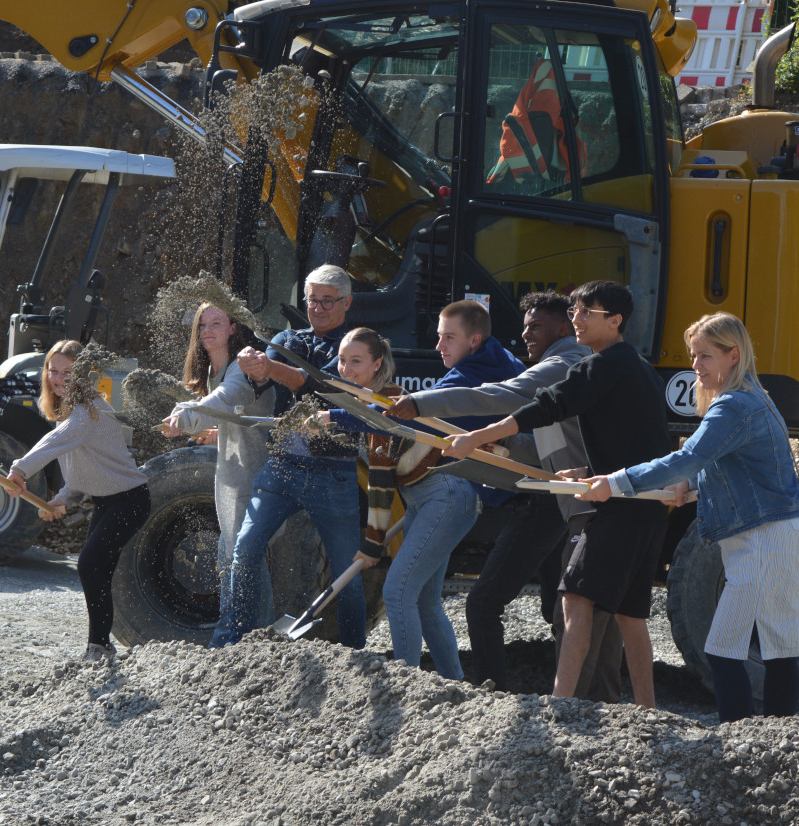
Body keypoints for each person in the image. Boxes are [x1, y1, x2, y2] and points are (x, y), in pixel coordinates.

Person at [577, 311, 799, 723]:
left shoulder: (734, 406)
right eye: (694, 356)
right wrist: (690, 490)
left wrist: (616, 481)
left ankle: (736, 737)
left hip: (764, 537)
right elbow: (740, 471)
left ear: (733, 355)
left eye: (704, 356)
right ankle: (777, 738)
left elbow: (689, 457)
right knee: (779, 649)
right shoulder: (753, 398)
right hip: (778, 533)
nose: (695, 366)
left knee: (724, 649)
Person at [441, 281, 670, 707]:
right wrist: (588, 470)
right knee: (631, 616)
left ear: (615, 321)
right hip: (646, 506)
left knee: (575, 599)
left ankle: (560, 704)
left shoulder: (600, 366)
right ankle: (647, 710)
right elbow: (642, 443)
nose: (576, 320)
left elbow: (542, 406)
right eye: (576, 312)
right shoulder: (639, 369)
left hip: (616, 509)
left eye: (587, 314)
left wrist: (475, 438)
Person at [387, 290, 624, 699]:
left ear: (565, 326)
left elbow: (496, 397)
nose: (525, 333)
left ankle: (494, 697)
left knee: (487, 604)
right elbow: (539, 436)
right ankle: (590, 698)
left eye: (536, 325)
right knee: (570, 605)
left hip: (563, 498)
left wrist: (419, 403)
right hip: (565, 495)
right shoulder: (563, 362)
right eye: (524, 324)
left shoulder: (562, 364)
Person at [333, 301, 525, 679]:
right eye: (342, 361)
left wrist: (373, 544)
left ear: (376, 365)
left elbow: (380, 482)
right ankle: (455, 686)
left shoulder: (388, 400)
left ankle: (406, 684)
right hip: (429, 500)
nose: (345, 369)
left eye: (356, 361)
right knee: (424, 601)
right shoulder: (370, 402)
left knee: (397, 591)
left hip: (446, 496)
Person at [209, 264, 367, 649]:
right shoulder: (288, 339)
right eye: (312, 299)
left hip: (334, 473)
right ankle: (240, 641)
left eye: (327, 301)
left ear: (346, 303)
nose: (318, 308)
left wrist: (269, 366)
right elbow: (258, 377)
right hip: (283, 467)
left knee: (347, 577)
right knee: (244, 550)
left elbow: (319, 386)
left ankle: (357, 658)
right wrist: (249, 363)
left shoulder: (354, 348)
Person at [6, 340, 151, 663]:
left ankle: (98, 647)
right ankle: (101, 647)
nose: (59, 378)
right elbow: (81, 468)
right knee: (96, 569)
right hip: (107, 502)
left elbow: (55, 442)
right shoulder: (70, 412)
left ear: (85, 375)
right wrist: (61, 499)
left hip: (130, 501)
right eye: (53, 370)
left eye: (68, 372)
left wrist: (20, 469)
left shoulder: (88, 411)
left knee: (89, 564)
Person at [159, 302, 276, 624]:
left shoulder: (241, 368)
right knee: (232, 555)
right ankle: (241, 628)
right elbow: (231, 414)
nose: (207, 330)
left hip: (256, 472)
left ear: (233, 328)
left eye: (216, 323)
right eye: (202, 325)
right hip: (233, 473)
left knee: (241, 556)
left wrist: (187, 417)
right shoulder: (211, 372)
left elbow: (227, 397)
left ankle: (244, 630)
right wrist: (214, 431)